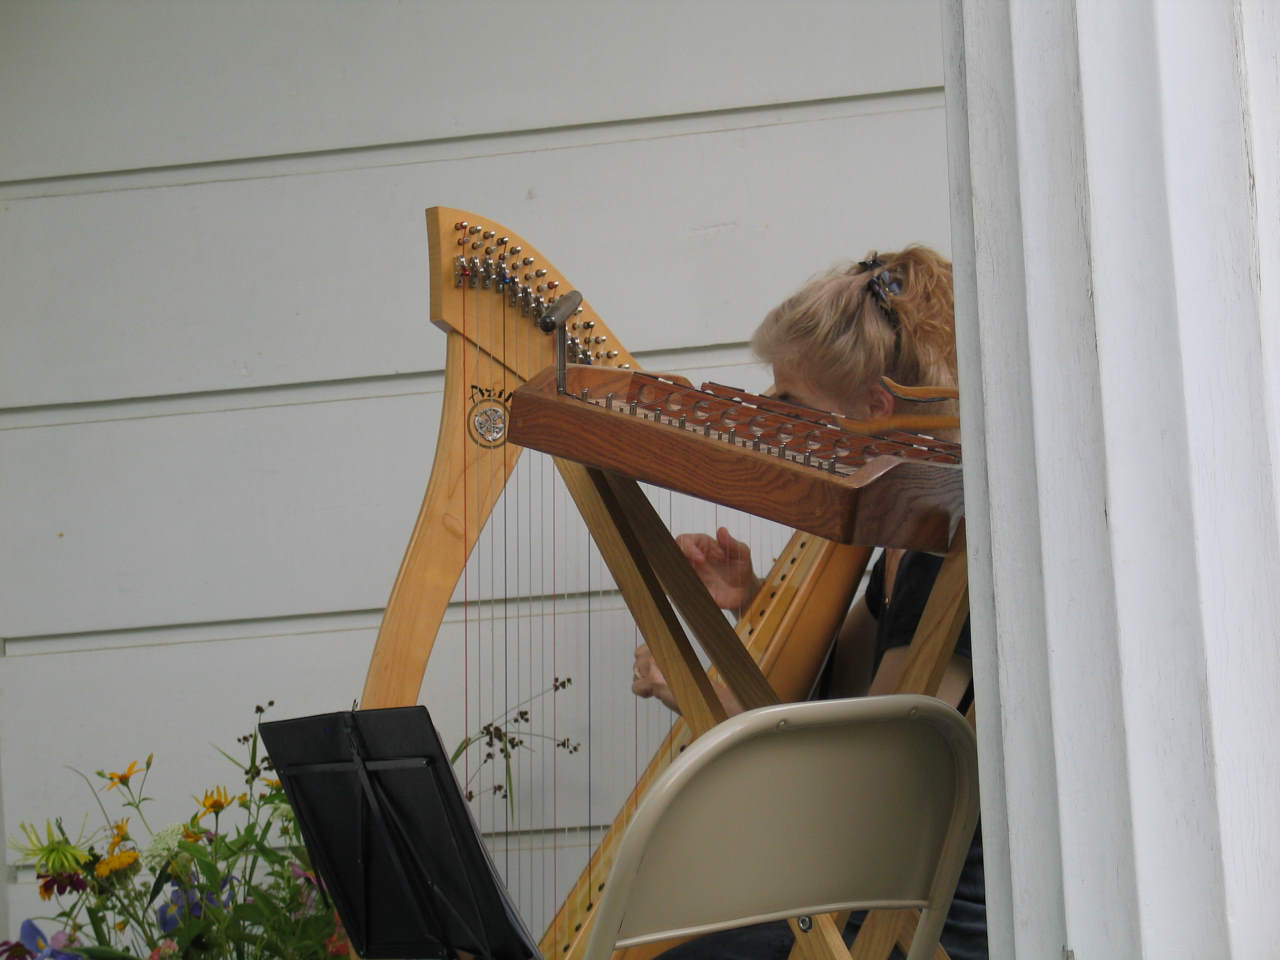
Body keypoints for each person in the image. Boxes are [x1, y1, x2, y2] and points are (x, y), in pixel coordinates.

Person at [631, 246, 986, 960]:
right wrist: (755, 601)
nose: (768, 412)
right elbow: (842, 688)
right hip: (878, 898)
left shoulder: (948, 552)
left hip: (929, 926)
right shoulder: (905, 544)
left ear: (876, 409)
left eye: (790, 401)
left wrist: (701, 696)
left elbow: (871, 771)